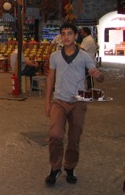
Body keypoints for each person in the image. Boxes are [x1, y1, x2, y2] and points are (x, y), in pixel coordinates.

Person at [44, 23, 104, 186]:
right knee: (55, 135)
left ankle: (70, 167)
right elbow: (50, 78)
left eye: (70, 33)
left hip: (78, 102)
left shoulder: (84, 56)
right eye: (63, 34)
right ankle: (55, 168)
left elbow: (99, 77)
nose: (66, 37)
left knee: (74, 137)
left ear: (76, 36)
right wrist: (47, 102)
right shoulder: (55, 56)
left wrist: (98, 75)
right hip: (59, 101)